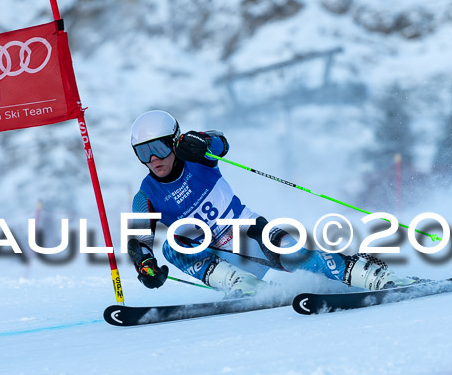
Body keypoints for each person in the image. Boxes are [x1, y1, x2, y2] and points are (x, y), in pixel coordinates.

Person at [126, 110, 419, 296]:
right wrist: (145, 266)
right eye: (143, 152)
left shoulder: (195, 156)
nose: (153, 159)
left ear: (175, 141)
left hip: (248, 232)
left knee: (301, 259)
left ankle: (374, 276)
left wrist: (202, 140)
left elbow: (221, 144)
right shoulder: (146, 195)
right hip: (213, 255)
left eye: (159, 147)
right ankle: (243, 286)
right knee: (171, 247)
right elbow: (138, 242)